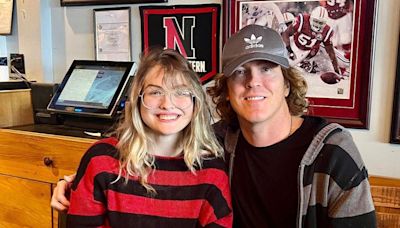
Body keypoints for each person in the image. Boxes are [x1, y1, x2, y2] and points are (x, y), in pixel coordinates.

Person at [52, 25, 376, 227]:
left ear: (288, 83)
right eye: (239, 72)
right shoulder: (218, 142)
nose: (253, 83)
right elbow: (151, 161)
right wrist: (75, 182)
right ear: (225, 89)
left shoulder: (332, 152)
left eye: (267, 69)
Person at [59, 48, 232, 227]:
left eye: (181, 92)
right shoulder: (101, 161)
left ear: (195, 102)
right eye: (155, 92)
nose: (167, 104)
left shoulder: (212, 172)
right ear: (137, 100)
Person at [282, 6, 340, 75]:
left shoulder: (326, 31)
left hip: (316, 48)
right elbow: (286, 33)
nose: (317, 25)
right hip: (297, 46)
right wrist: (289, 49)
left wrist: (336, 70)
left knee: (335, 57)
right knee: (293, 67)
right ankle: (308, 64)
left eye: (320, 23)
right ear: (311, 18)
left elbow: (331, 52)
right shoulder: (302, 20)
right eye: (316, 21)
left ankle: (345, 66)